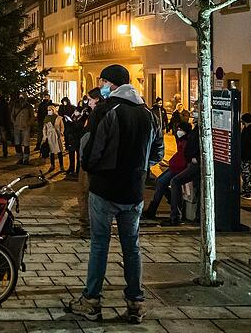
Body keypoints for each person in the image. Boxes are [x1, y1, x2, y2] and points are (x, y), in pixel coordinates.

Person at [69, 65, 163, 325]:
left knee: (100, 244)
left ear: (110, 83)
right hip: (134, 191)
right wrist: (139, 168)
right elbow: (158, 153)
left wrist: (91, 166)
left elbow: (92, 153)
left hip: (105, 189)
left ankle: (92, 301)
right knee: (131, 246)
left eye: (102, 82)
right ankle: (135, 302)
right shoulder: (148, 113)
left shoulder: (106, 110)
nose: (101, 86)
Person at [143, 121, 191, 221]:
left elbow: (183, 157)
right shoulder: (181, 140)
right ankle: (155, 208)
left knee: (163, 182)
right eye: (178, 130)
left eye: (180, 130)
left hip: (179, 168)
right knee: (160, 182)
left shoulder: (187, 142)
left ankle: (157, 209)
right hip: (174, 166)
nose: (178, 132)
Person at [72, 87, 103, 238]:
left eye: (90, 100)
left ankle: (87, 227)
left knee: (85, 193)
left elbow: (89, 138)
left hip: (90, 161)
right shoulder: (94, 114)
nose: (88, 103)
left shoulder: (98, 115)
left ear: (96, 100)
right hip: (91, 160)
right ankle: (89, 226)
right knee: (87, 194)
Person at [10, 93, 34, 165]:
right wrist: (15, 123)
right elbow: (12, 115)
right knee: (17, 143)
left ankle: (26, 159)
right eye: (20, 96)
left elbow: (32, 117)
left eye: (22, 96)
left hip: (26, 128)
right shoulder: (15, 105)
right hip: (17, 127)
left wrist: (27, 124)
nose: (21, 98)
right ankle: (19, 158)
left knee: (26, 144)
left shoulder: (29, 106)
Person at [41, 104, 64, 173]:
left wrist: (61, 133)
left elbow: (62, 126)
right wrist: (45, 136)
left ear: (53, 110)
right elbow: (44, 128)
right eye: (48, 110)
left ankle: (61, 166)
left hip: (57, 136)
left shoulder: (59, 118)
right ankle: (52, 165)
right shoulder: (46, 118)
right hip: (50, 136)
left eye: (50, 110)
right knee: (51, 152)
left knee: (59, 151)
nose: (49, 111)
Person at [65, 106, 86, 177]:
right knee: (71, 155)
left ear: (80, 112)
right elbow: (69, 129)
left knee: (78, 155)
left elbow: (78, 128)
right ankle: (71, 168)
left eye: (77, 111)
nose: (75, 112)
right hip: (71, 139)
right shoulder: (72, 117)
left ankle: (78, 170)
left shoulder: (82, 119)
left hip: (78, 139)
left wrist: (70, 123)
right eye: (75, 111)